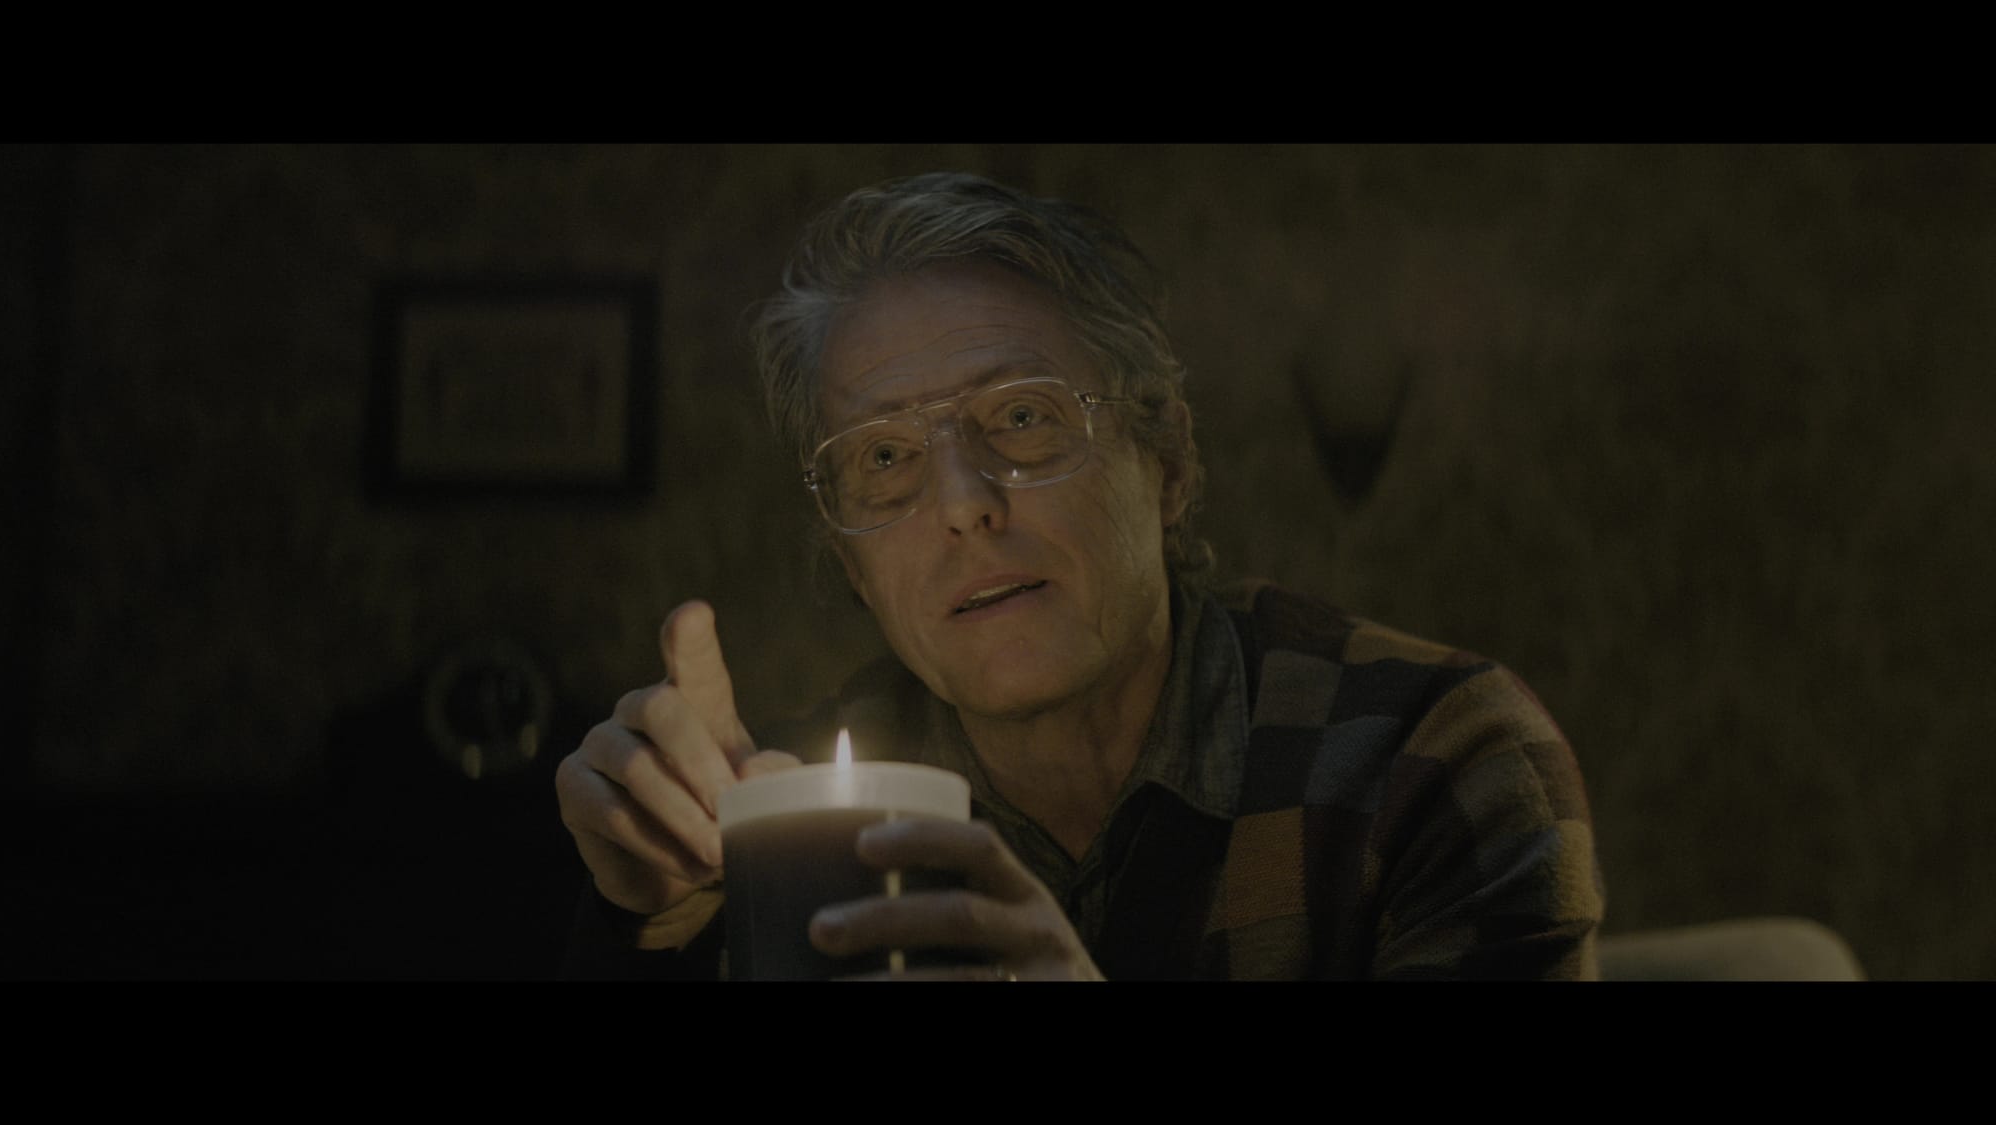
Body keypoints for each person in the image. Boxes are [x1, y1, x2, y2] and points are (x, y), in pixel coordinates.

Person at [554, 171, 1605, 980]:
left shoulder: (1434, 760)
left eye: (1022, 415)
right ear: (853, 567)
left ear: (1168, 464)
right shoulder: (784, 815)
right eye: (883, 458)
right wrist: (654, 919)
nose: (962, 503)